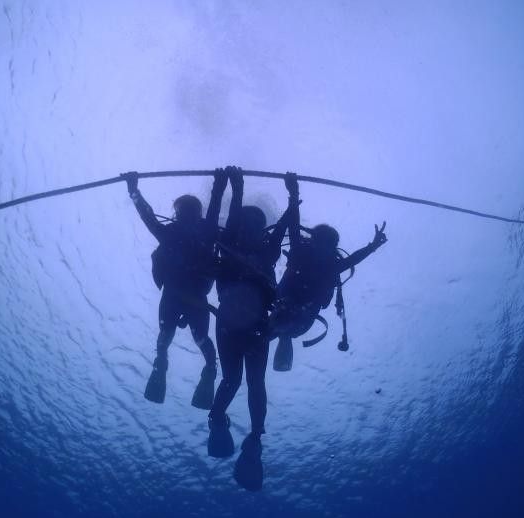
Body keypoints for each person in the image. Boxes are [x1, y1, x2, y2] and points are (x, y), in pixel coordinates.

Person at [123, 169, 227, 408]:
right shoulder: (198, 231)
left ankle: (180, 365)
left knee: (174, 336)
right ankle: (202, 367)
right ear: (178, 215)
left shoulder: (180, 232)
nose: (187, 217)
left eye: (189, 213)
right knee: (190, 337)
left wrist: (134, 191)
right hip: (188, 297)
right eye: (183, 213)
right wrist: (133, 191)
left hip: (183, 296)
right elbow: (147, 215)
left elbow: (147, 216)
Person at [207, 166, 292, 458]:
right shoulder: (234, 243)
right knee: (244, 380)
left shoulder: (262, 249)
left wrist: (293, 196)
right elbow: (236, 219)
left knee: (243, 381)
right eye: (247, 223)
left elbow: (282, 225)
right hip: (245, 326)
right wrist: (236, 185)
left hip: (242, 324)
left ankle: (240, 428)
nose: (250, 228)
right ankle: (239, 428)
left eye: (256, 224)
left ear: (260, 230)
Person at [269, 172, 387, 371]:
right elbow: (352, 258)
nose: (322, 249)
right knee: (278, 329)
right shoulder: (315, 259)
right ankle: (279, 337)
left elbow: (295, 228)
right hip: (294, 315)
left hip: (297, 316)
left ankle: (278, 336)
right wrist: (294, 194)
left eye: (327, 245)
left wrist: (294, 194)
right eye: (322, 243)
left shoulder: (321, 261)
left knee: (277, 329)